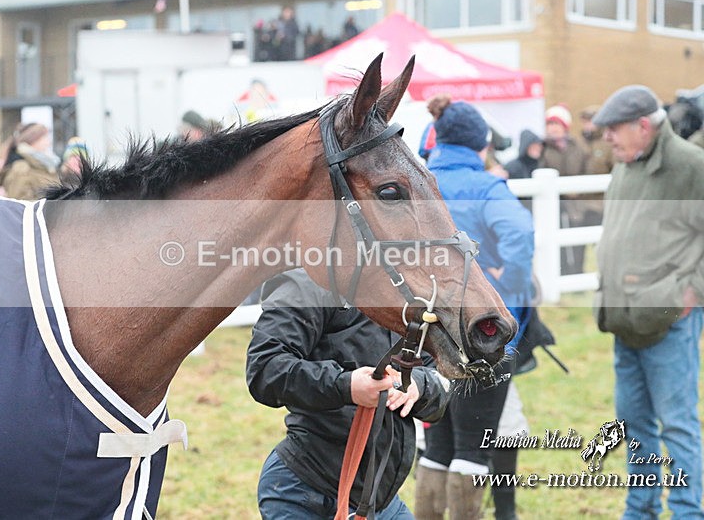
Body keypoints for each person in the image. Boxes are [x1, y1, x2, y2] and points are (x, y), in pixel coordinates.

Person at [247, 269, 452, 519]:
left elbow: (439, 379)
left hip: (380, 502)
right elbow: (265, 369)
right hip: (307, 495)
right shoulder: (307, 284)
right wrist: (347, 386)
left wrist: (419, 385)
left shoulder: (406, 293)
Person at [416, 100, 534, 520]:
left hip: (428, 334)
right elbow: (519, 235)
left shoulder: (418, 178)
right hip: (481, 333)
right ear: (481, 145)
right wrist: (506, 283)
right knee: (472, 447)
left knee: (438, 447)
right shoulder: (485, 187)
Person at [592, 84, 704, 519]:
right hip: (625, 320)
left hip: (670, 321)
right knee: (634, 423)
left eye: (613, 129)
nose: (606, 138)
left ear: (643, 126)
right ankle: (639, 510)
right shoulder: (626, 162)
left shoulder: (689, 166)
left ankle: (687, 512)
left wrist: (689, 293)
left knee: (677, 425)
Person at [541, 104, 588, 275]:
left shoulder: (578, 147)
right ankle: (560, 273)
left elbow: (586, 169)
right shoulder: (542, 148)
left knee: (577, 240)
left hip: (576, 203)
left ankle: (577, 273)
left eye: (556, 124)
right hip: (554, 204)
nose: (552, 128)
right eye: (549, 124)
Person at [0, 123, 59, 200]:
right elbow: (21, 205)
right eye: (44, 138)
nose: (49, 142)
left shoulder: (45, 165)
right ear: (32, 140)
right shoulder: (21, 169)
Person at [578, 105, 614, 227]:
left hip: (600, 202)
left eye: (591, 121)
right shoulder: (578, 144)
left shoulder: (608, 144)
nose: (588, 125)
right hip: (579, 203)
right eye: (585, 122)